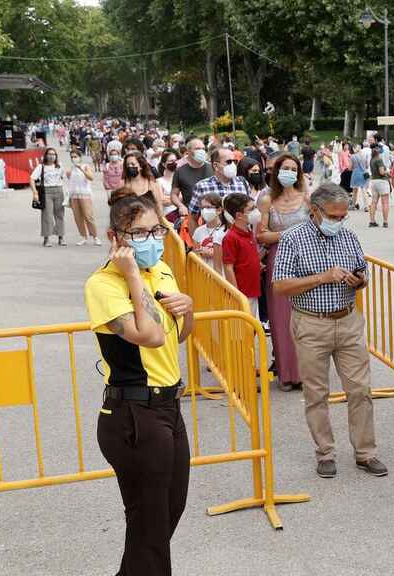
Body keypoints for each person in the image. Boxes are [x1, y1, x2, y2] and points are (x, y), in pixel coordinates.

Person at [85, 188, 194, 576]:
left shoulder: (162, 269)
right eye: (139, 234)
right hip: (133, 412)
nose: (151, 241)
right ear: (115, 238)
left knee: (169, 509)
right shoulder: (103, 284)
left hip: (169, 405)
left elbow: (178, 334)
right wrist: (132, 275)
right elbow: (150, 336)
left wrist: (189, 308)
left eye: (156, 231)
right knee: (149, 524)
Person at [272, 183, 387, 479]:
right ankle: (325, 452)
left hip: (348, 321)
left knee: (360, 389)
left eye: (343, 216)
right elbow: (280, 285)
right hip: (311, 322)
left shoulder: (348, 236)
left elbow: (363, 271)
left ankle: (366, 452)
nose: (339, 221)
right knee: (316, 392)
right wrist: (322, 277)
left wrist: (358, 280)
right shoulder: (292, 239)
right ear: (315, 211)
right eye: (334, 216)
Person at [256, 154, 309, 392]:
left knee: (307, 316)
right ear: (277, 172)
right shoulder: (267, 200)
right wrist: (287, 235)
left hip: (307, 260)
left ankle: (307, 373)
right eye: (284, 168)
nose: (289, 172)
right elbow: (261, 234)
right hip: (279, 261)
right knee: (280, 317)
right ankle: (287, 374)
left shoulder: (307, 198)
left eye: (293, 168)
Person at [220, 193, 263, 317]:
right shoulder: (230, 237)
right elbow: (228, 267)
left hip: (253, 289)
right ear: (239, 215)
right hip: (243, 293)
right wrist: (236, 294)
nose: (256, 211)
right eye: (251, 209)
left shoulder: (249, 232)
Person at [188, 147, 251, 216]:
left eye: (235, 162)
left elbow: (250, 210)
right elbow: (193, 216)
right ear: (216, 166)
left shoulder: (242, 183)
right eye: (229, 162)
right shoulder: (202, 186)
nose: (233, 165)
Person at [30, 148, 67, 247]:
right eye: (50, 154)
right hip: (47, 192)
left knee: (60, 214)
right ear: (46, 155)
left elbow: (65, 177)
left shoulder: (59, 166)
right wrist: (35, 192)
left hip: (59, 190)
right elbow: (32, 178)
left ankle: (61, 237)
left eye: (54, 154)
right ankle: (46, 238)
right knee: (47, 215)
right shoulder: (41, 167)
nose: (52, 156)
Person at [171, 138, 213, 217]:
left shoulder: (213, 168)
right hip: (191, 214)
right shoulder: (180, 171)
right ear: (188, 152)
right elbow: (173, 195)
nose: (201, 151)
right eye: (197, 149)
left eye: (203, 149)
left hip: (213, 213)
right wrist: (181, 206)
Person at [65, 150, 100, 246]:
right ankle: (83, 237)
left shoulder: (85, 166)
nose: (73, 158)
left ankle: (95, 236)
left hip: (84, 194)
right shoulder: (71, 169)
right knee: (78, 217)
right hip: (74, 195)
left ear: (80, 157)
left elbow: (91, 178)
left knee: (88, 216)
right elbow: (70, 182)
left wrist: (81, 169)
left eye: (75, 156)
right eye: (72, 157)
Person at [190, 192, 226, 273]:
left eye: (208, 207)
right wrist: (201, 251)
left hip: (222, 275)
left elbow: (230, 254)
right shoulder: (198, 231)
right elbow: (195, 253)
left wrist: (214, 253)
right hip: (204, 275)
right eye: (202, 208)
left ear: (219, 210)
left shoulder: (225, 230)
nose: (204, 210)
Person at [368, 142, 391, 228]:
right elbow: (381, 172)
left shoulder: (372, 159)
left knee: (374, 202)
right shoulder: (379, 160)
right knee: (385, 202)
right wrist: (388, 173)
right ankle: (385, 221)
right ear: (378, 150)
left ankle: (372, 220)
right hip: (382, 181)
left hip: (374, 181)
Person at [156, 150, 181, 223]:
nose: (174, 163)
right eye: (171, 161)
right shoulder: (159, 181)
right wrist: (177, 198)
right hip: (167, 217)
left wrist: (168, 197)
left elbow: (185, 196)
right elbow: (162, 200)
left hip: (181, 215)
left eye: (175, 160)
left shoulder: (181, 179)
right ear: (164, 164)